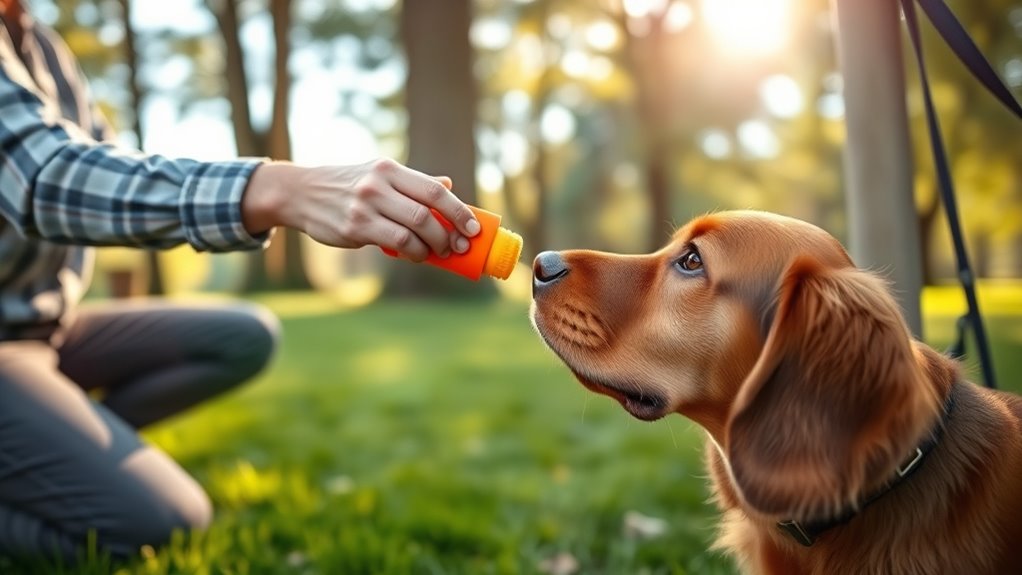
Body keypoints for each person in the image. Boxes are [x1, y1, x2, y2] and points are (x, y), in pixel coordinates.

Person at [0, 0, 481, 563]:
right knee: (163, 523)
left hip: (46, 329)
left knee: (243, 335)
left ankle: (40, 455)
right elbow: (46, 178)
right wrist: (278, 188)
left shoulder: (43, 47)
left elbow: (111, 167)